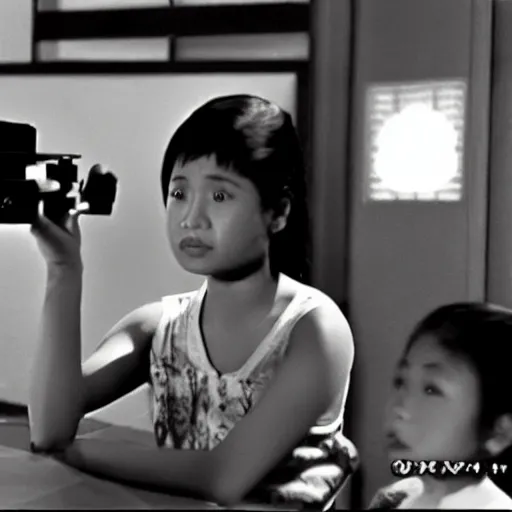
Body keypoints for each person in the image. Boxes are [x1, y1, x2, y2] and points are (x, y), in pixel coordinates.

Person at [28, 95, 354, 507]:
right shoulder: (156, 326)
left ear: (279, 212)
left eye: (220, 197)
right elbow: (49, 428)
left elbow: (224, 476)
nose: (191, 218)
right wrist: (63, 269)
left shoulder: (315, 329)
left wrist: (75, 453)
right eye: (179, 193)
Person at [369, 302, 512, 509]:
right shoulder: (395, 499)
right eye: (401, 382)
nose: (400, 409)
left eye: (431, 390)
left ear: (499, 432)